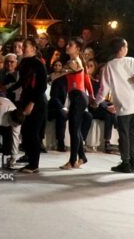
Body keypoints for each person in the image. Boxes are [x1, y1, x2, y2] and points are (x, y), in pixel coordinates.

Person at [97, 37, 134, 174]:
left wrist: (97, 101)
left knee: (124, 135)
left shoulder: (109, 66)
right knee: (131, 134)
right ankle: (132, 161)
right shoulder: (132, 61)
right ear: (122, 48)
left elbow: (104, 88)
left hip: (123, 105)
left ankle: (126, 162)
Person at [51, 38, 91, 169]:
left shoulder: (74, 62)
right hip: (77, 97)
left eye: (70, 45)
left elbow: (61, 74)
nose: (67, 46)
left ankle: (72, 161)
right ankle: (82, 157)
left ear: (78, 49)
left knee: (73, 130)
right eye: (68, 44)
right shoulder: (75, 62)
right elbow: (85, 78)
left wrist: (54, 75)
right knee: (75, 129)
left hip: (79, 97)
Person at [15, 38, 48, 174]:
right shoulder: (24, 62)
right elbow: (22, 81)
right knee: (26, 131)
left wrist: (31, 103)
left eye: (25, 46)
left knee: (33, 132)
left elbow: (42, 86)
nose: (23, 49)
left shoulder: (39, 63)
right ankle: (29, 159)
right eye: (22, 46)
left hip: (37, 101)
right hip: (26, 98)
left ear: (34, 48)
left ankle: (34, 164)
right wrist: (6, 87)